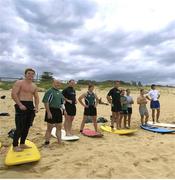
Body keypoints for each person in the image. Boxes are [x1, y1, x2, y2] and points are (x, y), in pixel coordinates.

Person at [11, 68, 39, 152]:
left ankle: (22, 143)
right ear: (25, 74)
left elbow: (36, 97)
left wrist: (36, 106)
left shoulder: (34, 86)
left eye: (32, 74)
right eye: (29, 73)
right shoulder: (19, 82)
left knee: (27, 126)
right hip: (21, 104)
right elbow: (13, 94)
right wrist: (20, 104)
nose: (30, 75)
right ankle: (15, 145)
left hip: (30, 106)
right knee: (19, 126)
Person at [42, 79, 65, 145]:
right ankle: (47, 142)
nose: (58, 84)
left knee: (59, 127)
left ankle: (59, 142)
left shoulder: (60, 92)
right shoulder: (49, 91)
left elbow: (61, 103)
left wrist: (64, 110)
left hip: (58, 111)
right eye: (57, 83)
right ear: (53, 83)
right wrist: (48, 112)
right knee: (49, 128)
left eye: (59, 83)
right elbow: (46, 102)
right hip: (51, 110)